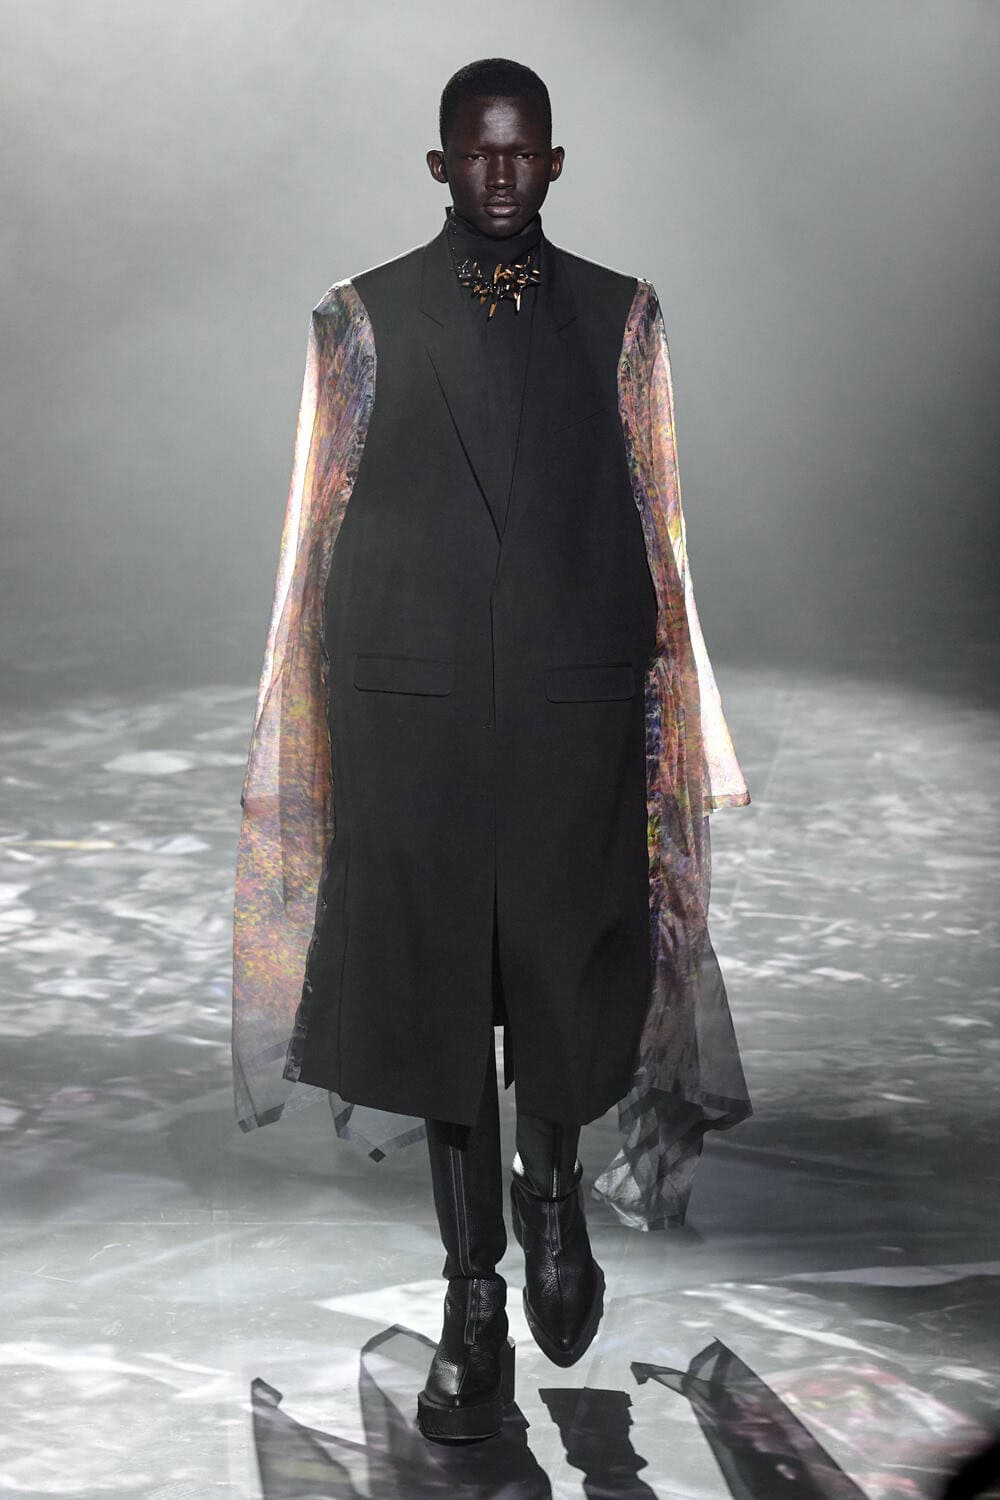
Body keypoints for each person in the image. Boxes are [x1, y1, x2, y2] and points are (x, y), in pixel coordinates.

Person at [231, 57, 752, 1445]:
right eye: (479, 152)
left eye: (525, 153)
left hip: (577, 713)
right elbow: (314, 530)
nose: (502, 175)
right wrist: (304, 712)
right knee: (443, 1000)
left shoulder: (623, 316)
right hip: (413, 717)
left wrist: (677, 708)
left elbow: (660, 524)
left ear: (557, 162)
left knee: (566, 982)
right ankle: (473, 1296)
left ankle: (553, 1193)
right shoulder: (361, 317)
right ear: (441, 163)